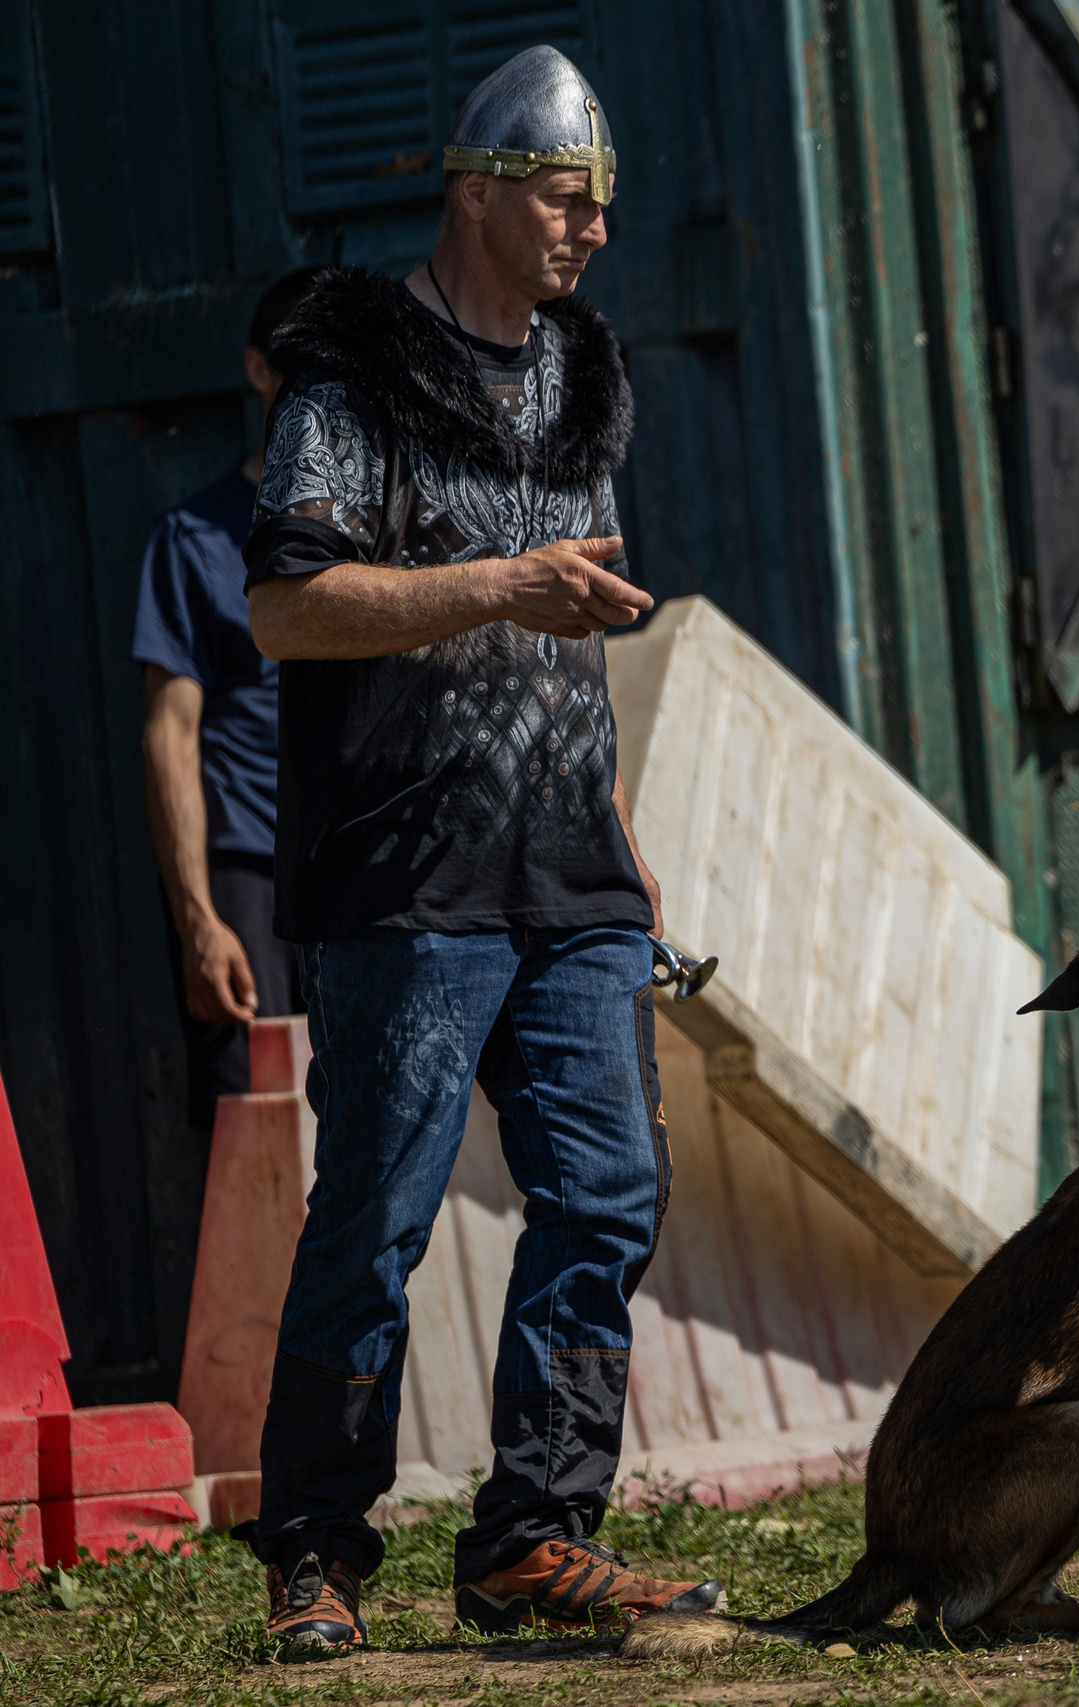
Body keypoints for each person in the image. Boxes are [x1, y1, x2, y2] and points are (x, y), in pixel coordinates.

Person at [240, 46, 719, 1653]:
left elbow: (569, 651)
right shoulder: (352, 378)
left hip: (572, 869)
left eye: (600, 203)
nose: (594, 228)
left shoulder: (583, 377)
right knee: (377, 1213)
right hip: (406, 873)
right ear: (478, 194)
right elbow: (287, 606)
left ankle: (534, 1532)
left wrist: (623, 839)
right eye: (566, 198)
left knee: (610, 1186)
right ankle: (315, 1546)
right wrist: (502, 580)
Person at [135, 267, 322, 1135]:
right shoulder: (195, 541)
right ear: (259, 370)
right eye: (305, 369)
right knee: (256, 1135)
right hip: (250, 878)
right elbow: (169, 736)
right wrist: (199, 920)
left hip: (366, 878)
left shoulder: (387, 535)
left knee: (387, 1136)